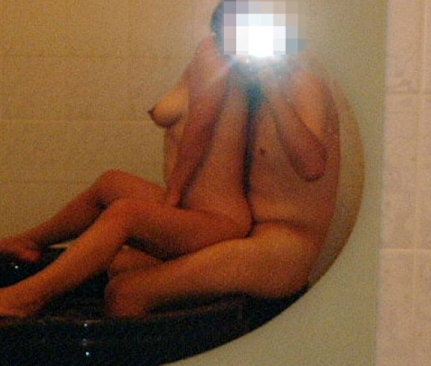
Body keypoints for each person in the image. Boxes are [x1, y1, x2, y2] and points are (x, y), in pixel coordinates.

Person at [0, 35, 252, 318]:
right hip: (195, 208)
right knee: (111, 183)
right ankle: (28, 243)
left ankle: (26, 298)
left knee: (126, 214)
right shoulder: (210, 52)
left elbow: (201, 130)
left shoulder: (219, 60)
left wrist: (172, 195)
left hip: (219, 220)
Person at [101, 50, 341, 318]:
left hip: (285, 245)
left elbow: (312, 166)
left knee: (126, 293)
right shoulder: (244, 92)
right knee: (120, 264)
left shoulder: (305, 85)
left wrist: (272, 88)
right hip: (243, 231)